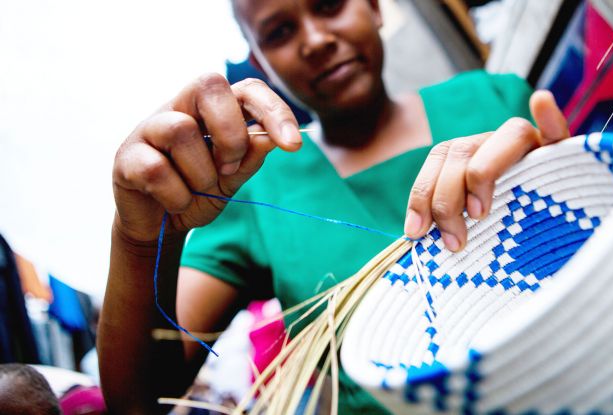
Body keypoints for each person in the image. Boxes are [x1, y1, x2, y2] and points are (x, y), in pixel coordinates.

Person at [98, 0, 570, 413]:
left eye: (329, 4)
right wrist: (140, 239)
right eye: (279, 32)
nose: (317, 40)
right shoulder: (253, 191)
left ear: (374, 5)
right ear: (259, 60)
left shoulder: (495, 100)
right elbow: (142, 401)